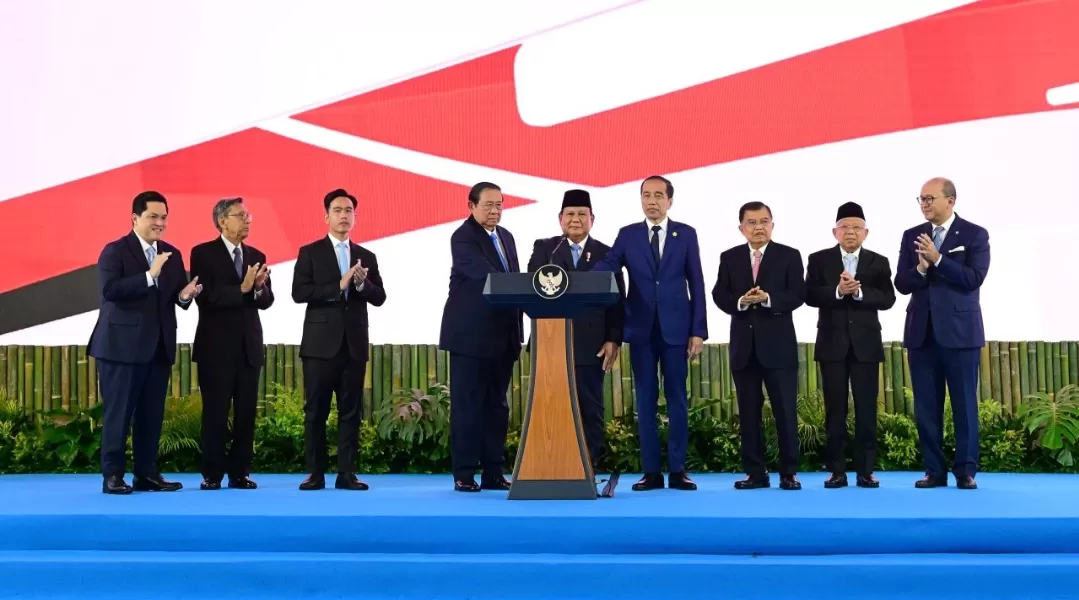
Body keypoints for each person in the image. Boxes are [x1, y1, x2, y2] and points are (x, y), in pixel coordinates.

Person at [592, 175, 706, 491]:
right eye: (646, 195)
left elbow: (696, 282)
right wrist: (581, 278)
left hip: (676, 330)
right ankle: (651, 471)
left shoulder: (685, 234)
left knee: (677, 399)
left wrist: (698, 330)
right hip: (641, 329)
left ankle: (678, 470)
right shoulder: (628, 235)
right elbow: (610, 264)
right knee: (644, 400)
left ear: (670, 201)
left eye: (658, 195)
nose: (651, 201)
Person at [88, 191, 202, 494]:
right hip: (120, 348)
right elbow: (110, 290)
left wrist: (185, 295)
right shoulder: (115, 251)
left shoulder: (173, 254)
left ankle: (146, 474)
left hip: (158, 347)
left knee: (151, 415)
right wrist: (149, 276)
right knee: (118, 414)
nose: (160, 223)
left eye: (164, 217)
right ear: (135, 218)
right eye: (153, 216)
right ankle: (112, 476)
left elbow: (174, 296)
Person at [895, 177, 989, 490]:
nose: (924, 204)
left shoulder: (974, 234)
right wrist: (921, 269)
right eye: (920, 199)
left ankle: (966, 471)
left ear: (950, 201)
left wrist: (938, 260)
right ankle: (934, 471)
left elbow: (973, 278)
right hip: (922, 334)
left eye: (930, 198)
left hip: (960, 334)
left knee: (964, 404)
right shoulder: (912, 236)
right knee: (926, 406)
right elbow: (902, 284)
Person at [291, 188, 387, 491]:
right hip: (320, 346)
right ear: (326, 216)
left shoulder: (366, 256)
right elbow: (299, 293)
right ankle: (315, 473)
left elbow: (380, 297)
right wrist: (339, 284)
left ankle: (347, 473)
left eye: (348, 211)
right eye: (337, 210)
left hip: (354, 345)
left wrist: (362, 284)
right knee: (315, 411)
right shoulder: (310, 252)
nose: (343, 215)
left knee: (351, 412)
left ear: (355, 217)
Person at [526, 189, 624, 478]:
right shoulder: (546, 249)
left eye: (582, 214)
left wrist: (613, 339)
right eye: (570, 214)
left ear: (592, 219)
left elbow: (619, 301)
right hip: (550, 342)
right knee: (549, 408)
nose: (576, 219)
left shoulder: (607, 253)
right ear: (560, 219)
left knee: (590, 408)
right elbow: (532, 289)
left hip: (591, 344)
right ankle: (550, 464)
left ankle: (590, 466)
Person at [712, 201, 805, 490]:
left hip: (778, 348)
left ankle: (788, 472)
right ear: (741, 227)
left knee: (785, 411)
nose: (759, 227)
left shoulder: (789, 255)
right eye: (752, 222)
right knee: (749, 412)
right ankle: (756, 473)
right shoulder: (729, 257)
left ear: (773, 225)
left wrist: (767, 299)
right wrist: (741, 301)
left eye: (764, 221)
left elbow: (798, 294)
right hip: (744, 348)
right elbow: (719, 294)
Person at [439, 182, 523, 492]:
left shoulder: (507, 237)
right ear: (471, 206)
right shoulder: (463, 237)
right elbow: (487, 278)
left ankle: (493, 472)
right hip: (470, 339)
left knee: (496, 408)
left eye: (499, 204)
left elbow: (513, 280)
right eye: (488, 205)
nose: (495, 210)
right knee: (468, 406)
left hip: (503, 338)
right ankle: (463, 473)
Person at [804, 202, 895, 488]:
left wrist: (858, 293)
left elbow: (888, 299)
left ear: (865, 232)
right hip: (832, 344)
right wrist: (837, 291)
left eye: (856, 227)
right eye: (845, 227)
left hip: (866, 345)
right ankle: (836, 470)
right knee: (835, 410)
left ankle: (866, 471)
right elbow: (808, 294)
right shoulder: (819, 260)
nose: (850, 232)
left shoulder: (878, 261)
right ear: (835, 232)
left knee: (867, 409)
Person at [190, 197, 273, 490]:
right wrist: (242, 288)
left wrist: (260, 288)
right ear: (222, 221)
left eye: (249, 215)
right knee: (215, 412)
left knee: (246, 414)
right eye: (241, 215)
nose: (248, 220)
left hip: (248, 347)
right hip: (215, 349)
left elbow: (267, 301)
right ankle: (212, 474)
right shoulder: (202, 253)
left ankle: (240, 472)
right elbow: (206, 297)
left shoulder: (257, 254)